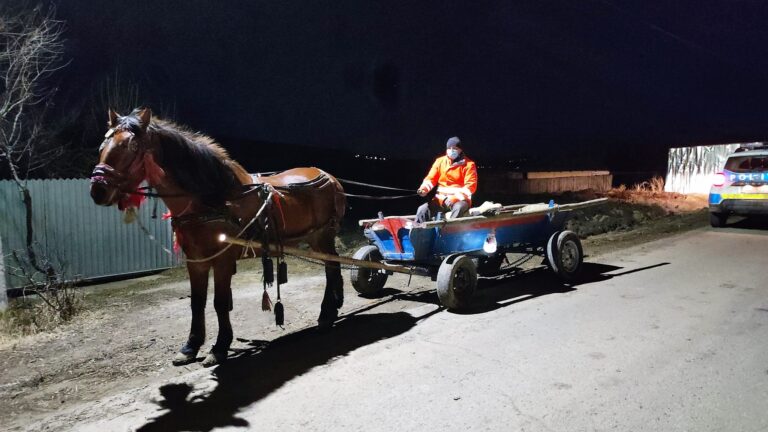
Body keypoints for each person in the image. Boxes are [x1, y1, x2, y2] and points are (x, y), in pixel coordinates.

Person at [416, 136, 478, 223]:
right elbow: (431, 179)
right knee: (422, 209)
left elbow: (471, 186)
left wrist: (454, 198)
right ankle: (420, 231)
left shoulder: (469, 164)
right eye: (449, 148)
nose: (451, 150)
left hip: (460, 200)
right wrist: (424, 189)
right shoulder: (439, 161)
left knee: (458, 208)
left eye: (454, 148)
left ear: (460, 150)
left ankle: (449, 232)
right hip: (440, 200)